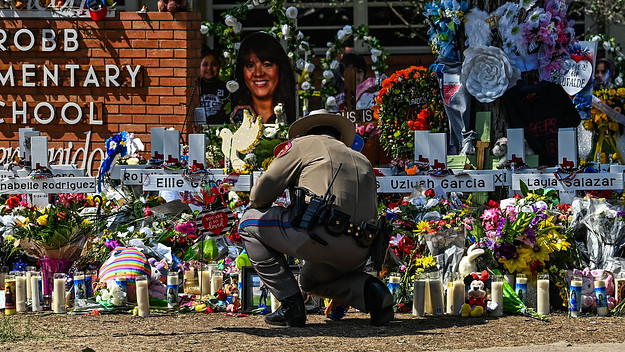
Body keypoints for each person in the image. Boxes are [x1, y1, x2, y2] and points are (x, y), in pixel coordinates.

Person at [238, 109, 394, 327]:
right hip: (361, 251)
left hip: (319, 235)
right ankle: (370, 290)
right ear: (338, 135)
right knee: (310, 280)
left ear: (306, 133)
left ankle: (291, 305)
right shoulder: (362, 159)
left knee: (247, 221)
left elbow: (259, 196)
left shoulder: (303, 145)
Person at [232, 32, 296, 125]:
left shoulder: (297, 113)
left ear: (280, 69)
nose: (258, 73)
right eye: (250, 66)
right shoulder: (234, 117)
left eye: (267, 65)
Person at [196, 47, 228, 125]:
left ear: (219, 66)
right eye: (205, 64)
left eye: (214, 64)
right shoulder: (195, 87)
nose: (209, 68)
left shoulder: (225, 88)